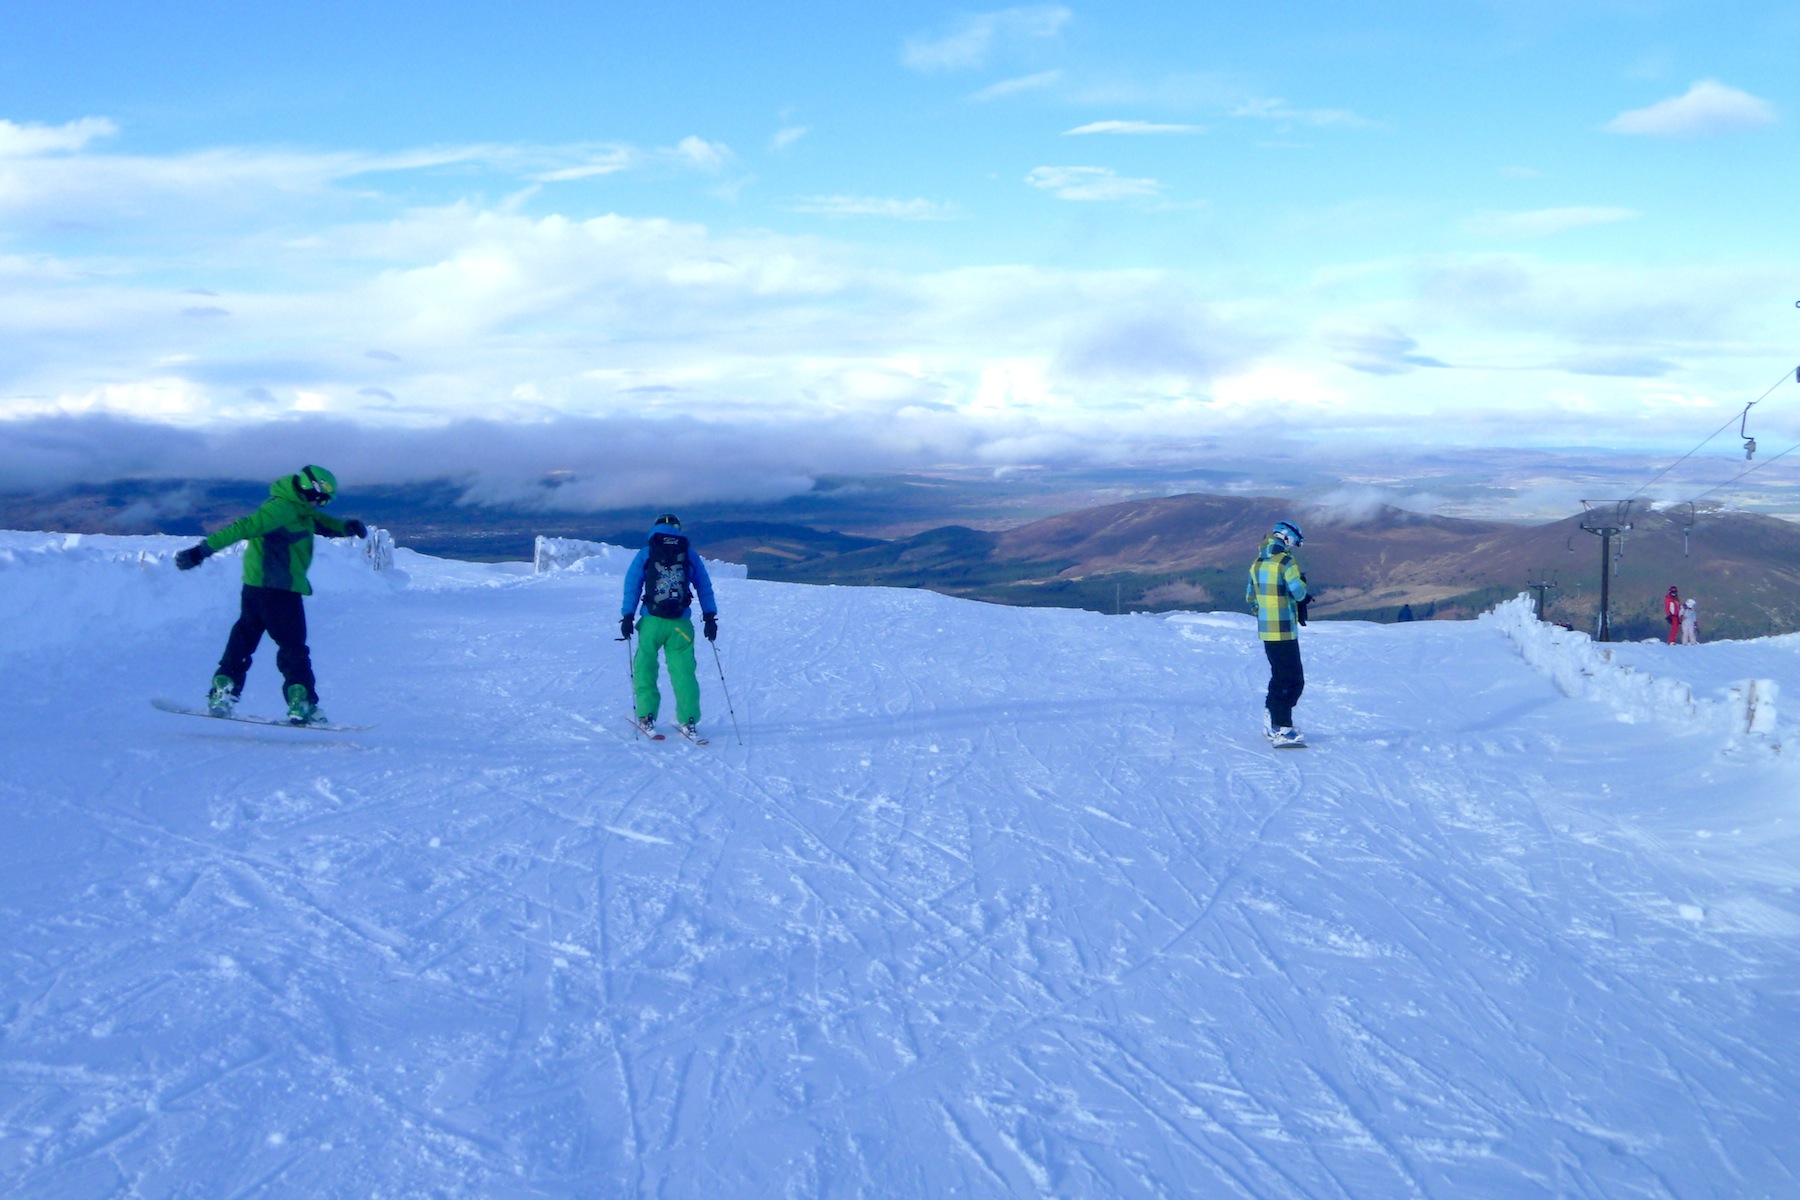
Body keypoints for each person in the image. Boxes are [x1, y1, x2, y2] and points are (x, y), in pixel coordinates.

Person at [173, 465, 367, 724]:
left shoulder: (297, 507)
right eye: (321, 499)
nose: (320, 504)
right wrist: (200, 552)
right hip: (280, 592)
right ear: (310, 489)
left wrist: (344, 527)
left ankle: (223, 691)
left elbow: (318, 522)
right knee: (293, 648)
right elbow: (242, 527)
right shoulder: (281, 510)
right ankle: (302, 703)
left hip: (256, 589)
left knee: (244, 640)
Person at [619, 514, 718, 738]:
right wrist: (710, 617)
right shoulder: (689, 554)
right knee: (683, 672)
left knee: (645, 667)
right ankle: (689, 720)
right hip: (680, 625)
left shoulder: (646, 553)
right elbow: (704, 586)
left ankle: (646, 716)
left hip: (651, 622)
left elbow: (632, 585)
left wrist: (627, 616)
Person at [1246, 519, 1310, 746]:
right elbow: (1299, 592)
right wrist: (1302, 586)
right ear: (1287, 537)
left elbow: (1250, 598)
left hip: (1267, 630)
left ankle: (1271, 721)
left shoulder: (1257, 563)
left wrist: (1265, 614)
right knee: (1293, 679)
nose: (1293, 546)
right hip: (1284, 629)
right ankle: (1283, 727)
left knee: (1279, 675)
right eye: (1294, 542)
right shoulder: (1285, 562)